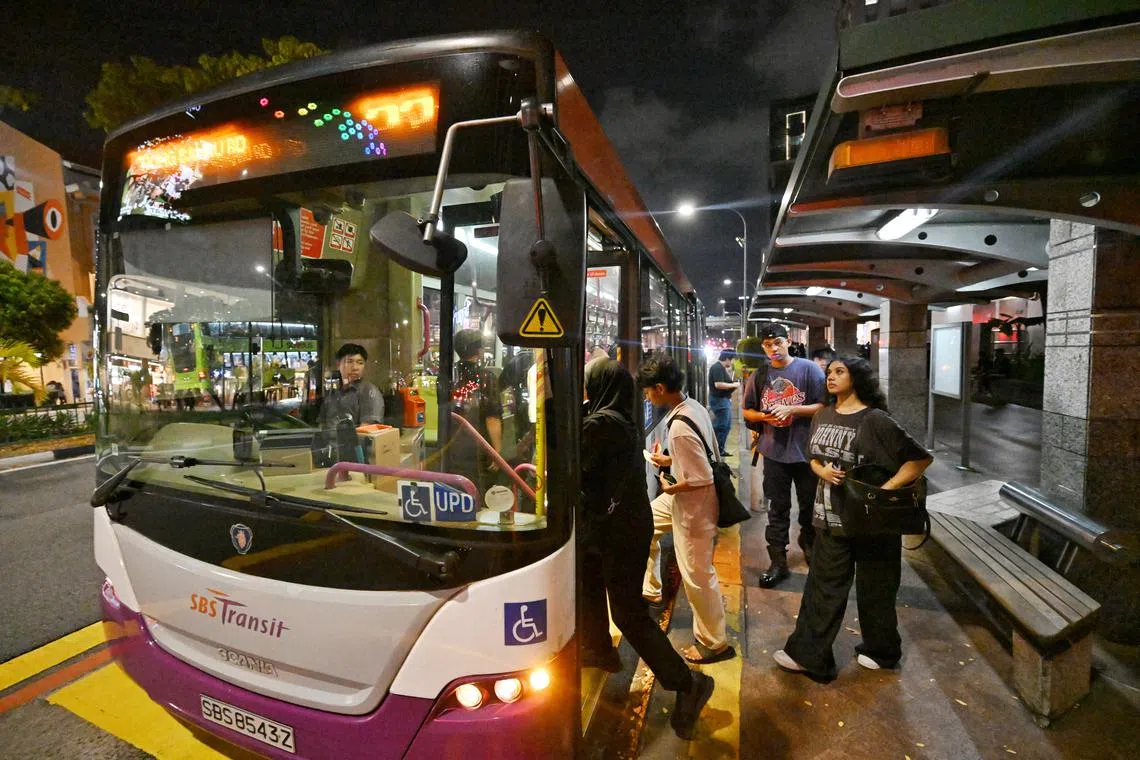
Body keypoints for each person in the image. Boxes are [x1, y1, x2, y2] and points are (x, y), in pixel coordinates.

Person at [580, 358, 715, 740]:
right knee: (587, 583)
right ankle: (600, 651)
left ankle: (688, 683)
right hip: (611, 525)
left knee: (627, 613)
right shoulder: (620, 415)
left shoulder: (602, 423)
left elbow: (575, 461)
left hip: (618, 531)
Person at [774, 355, 932, 680]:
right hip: (830, 518)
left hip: (874, 523)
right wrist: (823, 471)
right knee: (823, 588)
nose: (830, 377)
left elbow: (918, 459)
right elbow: (814, 459)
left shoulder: (875, 420)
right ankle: (809, 656)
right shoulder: (822, 414)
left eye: (839, 372)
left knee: (877, 589)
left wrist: (883, 493)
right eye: (829, 372)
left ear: (856, 378)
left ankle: (882, 651)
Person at [640, 354, 736, 665]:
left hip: (695, 504)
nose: (646, 397)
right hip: (688, 498)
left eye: (648, 391)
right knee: (644, 525)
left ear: (659, 387)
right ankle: (650, 589)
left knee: (696, 574)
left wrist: (671, 485)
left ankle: (714, 643)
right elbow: (702, 456)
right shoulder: (691, 407)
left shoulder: (679, 427)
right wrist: (669, 461)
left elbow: (700, 477)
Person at [743, 322, 827, 588]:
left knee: (809, 506)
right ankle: (778, 560)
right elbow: (748, 411)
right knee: (777, 509)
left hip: (806, 454)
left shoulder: (809, 370)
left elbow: (824, 406)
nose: (773, 349)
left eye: (777, 343)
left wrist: (792, 410)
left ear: (788, 341)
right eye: (767, 345)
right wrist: (767, 416)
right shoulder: (759, 375)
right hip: (774, 453)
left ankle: (809, 544)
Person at [450, 328, 502, 493]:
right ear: (479, 351)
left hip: (452, 446)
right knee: (479, 494)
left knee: (457, 492)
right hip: (478, 449)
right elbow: (492, 418)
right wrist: (497, 451)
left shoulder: (448, 376)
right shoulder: (486, 377)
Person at [319, 343, 384, 428]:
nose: (355, 367)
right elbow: (321, 426)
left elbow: (368, 429)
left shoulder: (369, 391)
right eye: (349, 362)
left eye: (360, 363)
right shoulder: (333, 394)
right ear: (338, 364)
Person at [707, 350, 739, 458]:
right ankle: (715, 449)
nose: (733, 362)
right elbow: (718, 384)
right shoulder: (717, 368)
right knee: (722, 426)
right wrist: (734, 384)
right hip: (719, 400)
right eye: (732, 359)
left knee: (726, 426)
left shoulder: (721, 368)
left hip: (723, 400)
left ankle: (720, 449)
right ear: (727, 358)